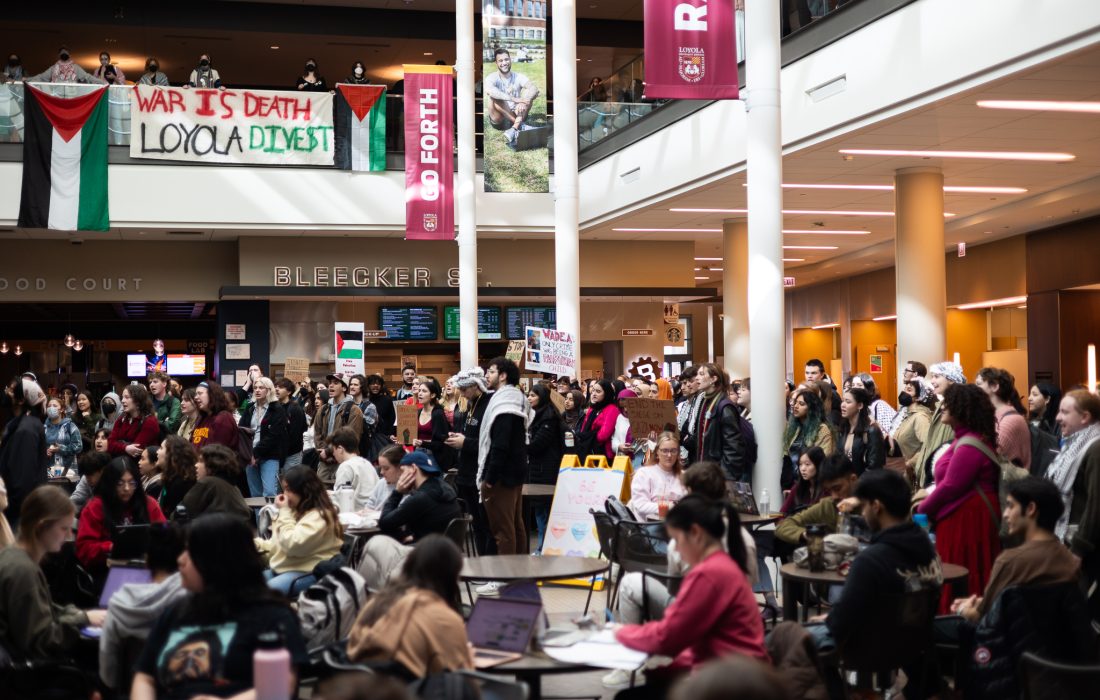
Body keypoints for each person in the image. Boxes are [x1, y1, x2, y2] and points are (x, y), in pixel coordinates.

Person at [131, 513, 308, 699]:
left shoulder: (273, 617)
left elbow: (282, 685)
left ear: (217, 561)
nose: (180, 560)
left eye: (190, 553)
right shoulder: (176, 611)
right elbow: (145, 676)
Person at [804, 469, 942, 694]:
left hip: (868, 649)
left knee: (787, 639)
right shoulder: (929, 553)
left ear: (876, 506)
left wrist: (834, 617)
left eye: (865, 506)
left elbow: (839, 627)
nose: (864, 512)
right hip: (912, 647)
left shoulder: (872, 561)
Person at [615, 494, 767, 690]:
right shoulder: (722, 566)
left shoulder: (709, 573)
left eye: (677, 540)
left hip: (732, 681)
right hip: (737, 673)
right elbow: (699, 643)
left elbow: (668, 638)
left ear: (695, 533)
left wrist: (619, 633)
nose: (676, 549)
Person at [946, 477, 1078, 626]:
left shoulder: (1011, 561)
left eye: (1010, 506)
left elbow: (983, 617)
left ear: (1030, 509)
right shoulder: (1070, 560)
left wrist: (962, 610)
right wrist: (981, 602)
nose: (1005, 514)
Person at [916, 383, 1001, 608]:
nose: (942, 407)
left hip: (968, 520)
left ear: (962, 409)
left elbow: (951, 486)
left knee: (963, 571)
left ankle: (957, 622)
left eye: (948, 404)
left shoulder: (969, 445)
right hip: (960, 516)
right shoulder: (965, 440)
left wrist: (922, 508)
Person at [0, 486, 106, 660]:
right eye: (64, 528)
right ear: (42, 526)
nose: (69, 536)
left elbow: (45, 610)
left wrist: (82, 616)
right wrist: (82, 620)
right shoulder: (23, 570)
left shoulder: (12, 557)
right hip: (24, 676)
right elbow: (41, 638)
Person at [347, 535, 471, 677]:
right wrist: (470, 659)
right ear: (450, 577)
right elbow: (460, 678)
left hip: (356, 685)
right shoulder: (444, 618)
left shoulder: (375, 602)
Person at [98, 522, 188, 691]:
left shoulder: (119, 603)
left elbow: (108, 669)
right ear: (182, 558)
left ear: (146, 560)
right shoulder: (192, 601)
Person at [359, 451, 463, 592]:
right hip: (445, 554)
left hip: (423, 557)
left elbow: (385, 523)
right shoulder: (442, 487)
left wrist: (397, 492)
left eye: (403, 471)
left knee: (373, 547)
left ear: (413, 469)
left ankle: (370, 596)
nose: (401, 476)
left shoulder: (422, 497)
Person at [477, 358, 532, 582]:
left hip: (501, 476)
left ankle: (504, 580)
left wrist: (490, 477)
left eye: (490, 372)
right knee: (515, 526)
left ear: (503, 376)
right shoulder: (512, 398)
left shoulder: (506, 402)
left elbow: (500, 443)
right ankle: (517, 576)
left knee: (503, 530)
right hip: (514, 473)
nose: (486, 376)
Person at [256, 466, 344, 595]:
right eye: (284, 489)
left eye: (288, 490)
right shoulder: (295, 511)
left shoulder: (320, 516)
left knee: (262, 595)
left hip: (307, 572)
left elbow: (293, 544)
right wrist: (254, 545)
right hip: (284, 568)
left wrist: (284, 512)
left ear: (304, 491)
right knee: (242, 586)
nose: (284, 495)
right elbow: (278, 545)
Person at [76, 457, 167, 571]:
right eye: (120, 483)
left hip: (145, 567)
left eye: (132, 482)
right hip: (105, 569)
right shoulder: (95, 507)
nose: (127, 488)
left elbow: (165, 536)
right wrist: (111, 547)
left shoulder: (149, 504)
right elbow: (84, 549)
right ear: (110, 484)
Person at [445, 367, 495, 555]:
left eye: (465, 389)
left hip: (480, 472)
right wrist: (460, 437)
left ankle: (489, 567)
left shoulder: (488, 405)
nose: (462, 394)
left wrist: (465, 442)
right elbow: (473, 434)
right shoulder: (471, 403)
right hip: (466, 472)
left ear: (476, 386)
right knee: (477, 525)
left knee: (485, 524)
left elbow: (489, 442)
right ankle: (482, 565)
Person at [1047, 390, 1100, 540]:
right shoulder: (1072, 444)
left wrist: (1080, 548)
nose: (1057, 418)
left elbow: (1095, 506)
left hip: (1084, 547)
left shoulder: (1095, 449)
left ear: (1084, 417)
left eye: (1064, 412)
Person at [776, 455, 862, 545]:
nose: (834, 496)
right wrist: (810, 535)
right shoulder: (828, 506)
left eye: (837, 488)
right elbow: (783, 525)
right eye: (829, 491)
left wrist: (862, 501)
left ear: (853, 479)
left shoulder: (872, 501)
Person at [0, 378, 48, 525]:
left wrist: (9, 508)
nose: (7, 392)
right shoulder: (18, 424)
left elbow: (22, 477)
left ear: (21, 400)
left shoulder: (26, 429)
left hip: (19, 513)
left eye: (12, 390)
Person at [912, 361, 966, 488]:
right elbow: (930, 443)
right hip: (932, 477)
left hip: (942, 479)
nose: (932, 381)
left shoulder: (957, 408)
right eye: (932, 376)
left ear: (951, 379)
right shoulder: (941, 406)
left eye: (937, 376)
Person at [527, 382, 564, 551]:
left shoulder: (548, 417)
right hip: (538, 468)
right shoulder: (535, 415)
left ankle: (544, 546)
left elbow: (538, 444)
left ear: (541, 397)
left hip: (545, 469)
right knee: (540, 509)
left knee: (544, 510)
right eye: (528, 395)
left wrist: (521, 444)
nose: (529, 398)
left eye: (533, 395)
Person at [239, 376, 288, 498]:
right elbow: (241, 429)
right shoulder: (250, 408)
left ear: (269, 390)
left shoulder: (277, 409)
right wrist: (248, 454)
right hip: (250, 455)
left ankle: (271, 517)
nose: (257, 390)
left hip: (269, 455)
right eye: (255, 387)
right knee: (255, 495)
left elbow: (273, 437)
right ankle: (259, 518)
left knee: (270, 493)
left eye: (261, 387)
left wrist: (255, 454)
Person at [976, 367, 1031, 471]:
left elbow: (990, 454)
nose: (975, 389)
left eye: (979, 384)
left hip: (1009, 484)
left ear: (994, 386)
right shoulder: (994, 416)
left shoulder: (1011, 420)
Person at [180, 444, 252, 523]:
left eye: (201, 461)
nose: (196, 465)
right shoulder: (233, 487)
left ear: (212, 464)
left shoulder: (208, 483)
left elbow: (180, 513)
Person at [484, 48, 540, 146]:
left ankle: (515, 128)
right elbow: (491, 91)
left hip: (518, 112)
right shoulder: (491, 77)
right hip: (500, 119)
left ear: (510, 59)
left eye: (506, 59)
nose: (504, 63)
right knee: (495, 97)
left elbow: (534, 89)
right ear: (496, 63)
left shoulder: (518, 76)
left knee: (529, 94)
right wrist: (514, 99)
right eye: (500, 61)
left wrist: (523, 101)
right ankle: (521, 126)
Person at [315, 373, 364, 482]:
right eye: (330, 383)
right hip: (325, 461)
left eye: (336, 383)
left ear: (344, 388)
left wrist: (329, 451)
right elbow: (318, 433)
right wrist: (323, 452)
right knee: (322, 494)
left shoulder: (354, 410)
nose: (331, 386)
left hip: (344, 460)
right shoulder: (323, 409)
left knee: (343, 492)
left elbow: (352, 437)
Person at [782, 388, 835, 490]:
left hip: (812, 483)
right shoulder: (793, 428)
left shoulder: (821, 429)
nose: (796, 406)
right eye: (795, 403)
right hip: (792, 481)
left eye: (801, 404)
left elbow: (823, 459)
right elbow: (786, 457)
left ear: (811, 408)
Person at [629, 431, 687, 521]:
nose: (669, 455)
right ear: (657, 452)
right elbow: (640, 505)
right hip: (650, 525)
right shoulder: (644, 474)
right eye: (665, 451)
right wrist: (668, 507)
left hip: (678, 524)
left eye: (673, 451)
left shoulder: (685, 476)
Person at [837, 387, 885, 474]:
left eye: (848, 402)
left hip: (864, 483)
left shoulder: (871, 430)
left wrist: (859, 484)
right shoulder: (843, 429)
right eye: (843, 401)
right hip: (846, 482)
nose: (842, 405)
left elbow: (874, 466)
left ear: (860, 405)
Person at [892, 378, 935, 472]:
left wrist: (909, 463)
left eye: (909, 390)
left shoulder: (920, 417)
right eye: (905, 388)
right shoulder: (908, 415)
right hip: (901, 470)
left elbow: (928, 446)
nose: (903, 392)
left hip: (913, 473)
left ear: (919, 397)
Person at [331, 426, 379, 511]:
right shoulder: (367, 464)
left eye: (333, 450)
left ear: (340, 449)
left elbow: (339, 498)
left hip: (355, 516)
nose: (333, 454)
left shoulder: (345, 467)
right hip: (373, 512)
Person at [107, 384, 161, 460]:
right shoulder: (122, 418)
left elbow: (135, 451)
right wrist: (125, 447)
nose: (122, 401)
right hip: (121, 462)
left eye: (127, 397)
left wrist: (118, 444)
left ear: (138, 401)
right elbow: (109, 444)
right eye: (122, 397)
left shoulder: (150, 422)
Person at [577, 379, 621, 462]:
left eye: (598, 391)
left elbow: (603, 436)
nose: (593, 394)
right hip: (587, 450)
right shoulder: (592, 408)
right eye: (593, 390)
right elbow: (583, 429)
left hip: (602, 453)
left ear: (606, 393)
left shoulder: (612, 409)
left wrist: (587, 436)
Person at [191, 381, 240, 453]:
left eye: (200, 393)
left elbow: (218, 452)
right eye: (196, 394)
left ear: (212, 395)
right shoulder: (202, 418)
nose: (195, 397)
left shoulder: (224, 418)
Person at [156, 434, 198, 519]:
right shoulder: (171, 478)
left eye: (161, 448)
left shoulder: (181, 484)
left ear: (172, 454)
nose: (157, 451)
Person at [412, 377, 450, 462]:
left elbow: (442, 443)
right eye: (420, 390)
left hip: (434, 456)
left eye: (424, 391)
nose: (420, 393)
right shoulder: (417, 412)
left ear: (432, 395)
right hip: (418, 453)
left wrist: (423, 443)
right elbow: (413, 436)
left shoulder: (438, 413)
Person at [780, 446, 826, 514]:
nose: (803, 469)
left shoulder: (827, 488)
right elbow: (782, 513)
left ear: (818, 465)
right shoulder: (798, 487)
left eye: (807, 464)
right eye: (800, 464)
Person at [275, 378, 309, 468]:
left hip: (292, 455)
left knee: (290, 480)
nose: (277, 389)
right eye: (276, 387)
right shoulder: (276, 408)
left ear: (289, 392)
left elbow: (295, 434)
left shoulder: (295, 409)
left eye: (281, 387)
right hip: (278, 454)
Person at [26, 46, 106, 84]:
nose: (64, 53)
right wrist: (27, 79)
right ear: (58, 56)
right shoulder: (53, 68)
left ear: (69, 56)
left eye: (66, 52)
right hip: (56, 98)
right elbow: (41, 77)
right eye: (62, 52)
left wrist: (102, 82)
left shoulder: (75, 67)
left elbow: (87, 77)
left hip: (71, 98)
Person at [44, 397, 82, 473]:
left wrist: (61, 448)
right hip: (48, 470)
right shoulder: (43, 428)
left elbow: (78, 446)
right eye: (49, 406)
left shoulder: (70, 426)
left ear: (61, 409)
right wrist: (45, 451)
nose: (51, 408)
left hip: (67, 471)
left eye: (55, 406)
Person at [804, 359, 842, 426]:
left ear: (822, 375)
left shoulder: (832, 394)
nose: (809, 376)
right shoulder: (805, 391)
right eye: (807, 373)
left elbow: (835, 420)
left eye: (813, 373)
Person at [366, 444, 403, 510]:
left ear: (400, 468)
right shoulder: (381, 483)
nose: (381, 472)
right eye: (380, 468)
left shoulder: (407, 490)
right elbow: (369, 505)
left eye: (386, 468)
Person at [149, 371, 182, 437]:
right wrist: (163, 422)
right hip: (148, 439)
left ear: (164, 384)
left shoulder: (174, 402)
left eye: (155, 382)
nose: (151, 385)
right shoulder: (146, 400)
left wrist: (153, 422)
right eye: (150, 382)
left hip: (166, 440)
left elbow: (171, 425)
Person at [366, 374, 396, 441]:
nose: (376, 385)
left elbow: (392, 419)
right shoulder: (365, 400)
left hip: (384, 436)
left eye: (378, 384)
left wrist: (390, 434)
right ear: (368, 386)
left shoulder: (387, 400)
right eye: (373, 383)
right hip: (368, 437)